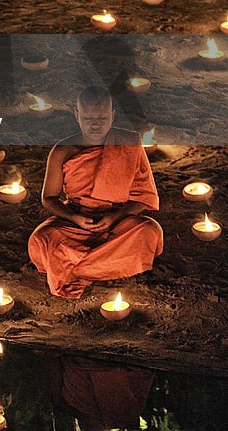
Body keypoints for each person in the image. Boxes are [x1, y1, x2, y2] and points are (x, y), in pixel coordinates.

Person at [28, 86, 163, 299]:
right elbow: (48, 198)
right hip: (76, 220)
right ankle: (103, 266)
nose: (95, 124)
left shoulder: (128, 144)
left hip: (117, 220)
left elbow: (142, 198)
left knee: (150, 232)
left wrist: (114, 217)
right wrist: (74, 217)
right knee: (40, 240)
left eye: (101, 117)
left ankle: (73, 269)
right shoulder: (62, 151)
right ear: (77, 116)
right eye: (89, 117)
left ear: (112, 116)